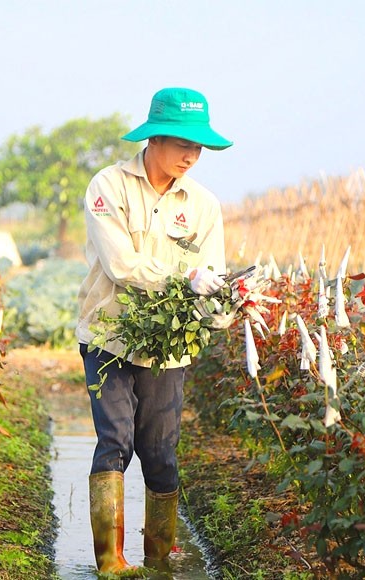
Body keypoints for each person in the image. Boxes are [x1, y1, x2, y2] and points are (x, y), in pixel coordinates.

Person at [75, 87, 232, 573]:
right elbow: (121, 265)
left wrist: (226, 305)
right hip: (109, 335)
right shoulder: (108, 186)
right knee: (115, 442)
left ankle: (159, 560)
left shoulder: (204, 206)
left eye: (199, 146)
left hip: (168, 347)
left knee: (161, 454)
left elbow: (213, 275)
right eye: (183, 143)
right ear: (155, 138)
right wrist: (184, 278)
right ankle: (111, 564)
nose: (192, 155)